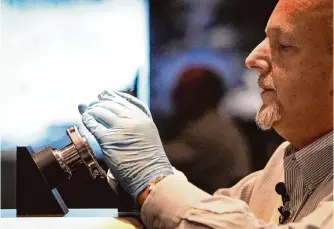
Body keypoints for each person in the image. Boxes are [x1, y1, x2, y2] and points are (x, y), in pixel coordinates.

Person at [78, 0, 333, 228]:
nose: (252, 58)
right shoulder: (287, 159)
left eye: (283, 45)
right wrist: (138, 179)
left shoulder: (208, 132)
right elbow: (209, 213)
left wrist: (152, 180)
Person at [162, 66, 251, 193]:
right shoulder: (219, 123)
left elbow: (157, 160)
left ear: (200, 96)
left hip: (217, 206)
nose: (173, 96)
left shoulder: (204, 132)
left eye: (181, 91)